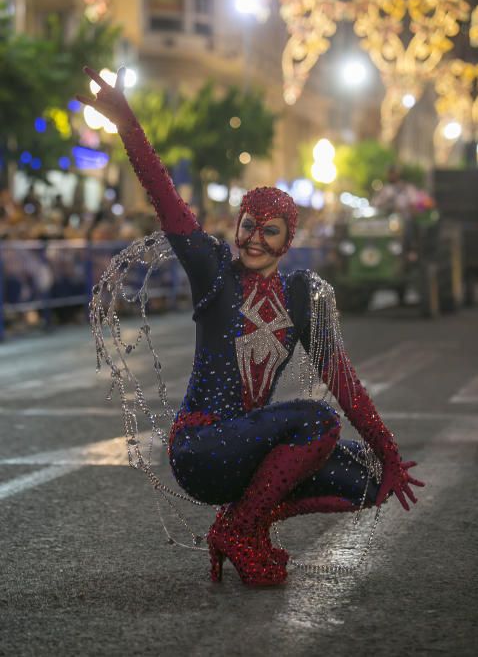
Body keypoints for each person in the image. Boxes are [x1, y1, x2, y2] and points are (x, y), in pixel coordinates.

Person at [79, 67, 424, 587]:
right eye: (248, 226)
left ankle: (246, 523)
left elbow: (344, 383)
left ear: (287, 242)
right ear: (236, 226)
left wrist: (390, 455)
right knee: (317, 423)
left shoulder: (301, 296)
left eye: (271, 231)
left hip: (246, 449)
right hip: (199, 450)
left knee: (367, 474)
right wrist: (129, 127)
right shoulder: (214, 273)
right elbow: (166, 202)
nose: (255, 239)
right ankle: (240, 528)